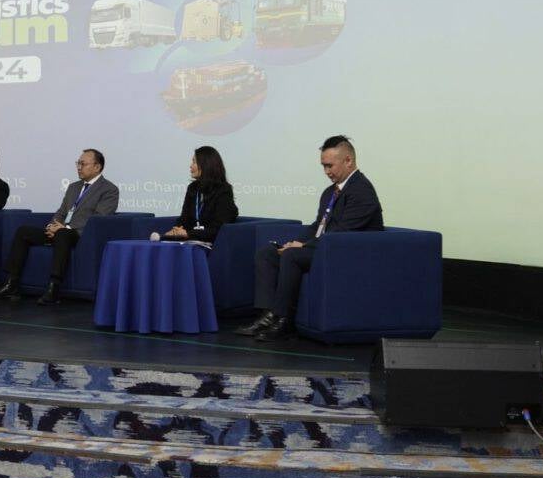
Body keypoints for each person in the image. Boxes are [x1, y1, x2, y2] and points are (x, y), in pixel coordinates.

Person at [236, 135, 383, 341]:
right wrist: (294, 243)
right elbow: (318, 226)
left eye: (330, 166)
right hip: (326, 248)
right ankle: (268, 316)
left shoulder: (362, 191)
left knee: (292, 256)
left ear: (348, 160)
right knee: (268, 253)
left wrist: (303, 246)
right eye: (323, 166)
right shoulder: (330, 192)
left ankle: (284, 320)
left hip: (348, 254)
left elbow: (342, 233)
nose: (326, 172)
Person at [0, 149, 119, 305]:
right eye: (78, 163)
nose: (79, 167)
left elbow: (99, 218)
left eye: (83, 164)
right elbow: (62, 212)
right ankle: (11, 283)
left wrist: (65, 228)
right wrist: (52, 226)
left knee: (63, 234)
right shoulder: (74, 187)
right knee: (24, 231)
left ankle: (54, 288)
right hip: (61, 231)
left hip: (82, 235)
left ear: (97, 167)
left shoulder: (109, 189)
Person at [160, 145, 238, 245]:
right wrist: (176, 230)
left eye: (194, 162)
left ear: (206, 165)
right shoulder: (192, 188)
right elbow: (184, 218)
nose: (190, 166)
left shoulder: (223, 190)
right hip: (191, 241)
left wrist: (188, 234)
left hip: (212, 243)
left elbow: (218, 228)